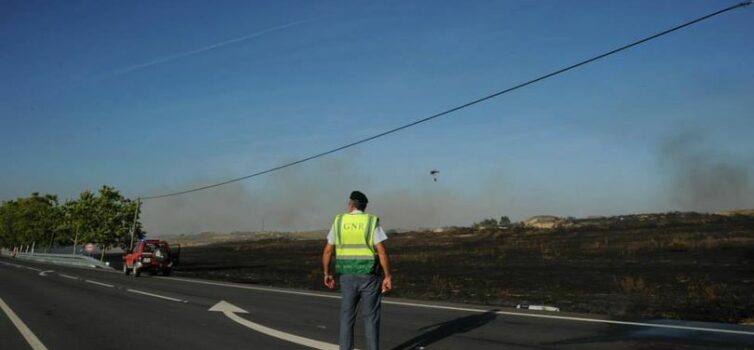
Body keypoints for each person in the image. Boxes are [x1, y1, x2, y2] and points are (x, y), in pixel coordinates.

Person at [322, 191, 393, 350]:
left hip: (346, 276)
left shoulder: (339, 221)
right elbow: (381, 251)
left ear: (350, 204)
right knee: (370, 318)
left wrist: (327, 273)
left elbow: (328, 251)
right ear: (364, 206)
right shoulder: (371, 221)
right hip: (369, 277)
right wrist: (388, 276)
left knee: (347, 318)